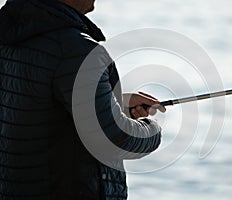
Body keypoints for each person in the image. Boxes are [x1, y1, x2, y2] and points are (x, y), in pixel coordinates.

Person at [0, 0, 165, 199]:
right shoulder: (77, 50)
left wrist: (111, 102)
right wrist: (152, 129)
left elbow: (31, 103)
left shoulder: (10, 35)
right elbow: (113, 138)